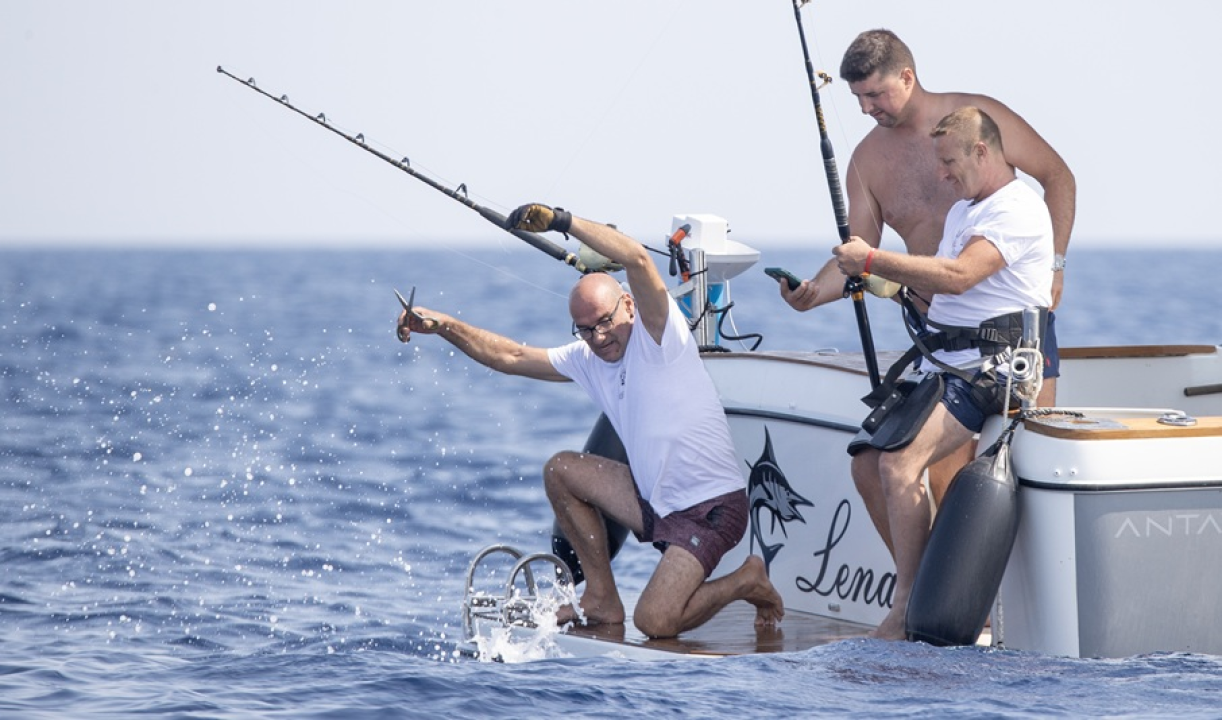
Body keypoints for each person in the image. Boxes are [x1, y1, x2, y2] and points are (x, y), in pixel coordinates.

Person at [396, 203, 784, 639]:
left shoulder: (660, 335)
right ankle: (601, 596)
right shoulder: (588, 357)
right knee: (562, 470)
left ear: (629, 308)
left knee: (655, 623)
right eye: (585, 329)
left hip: (709, 509)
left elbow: (637, 259)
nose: (599, 338)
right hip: (653, 502)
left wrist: (562, 221)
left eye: (605, 322)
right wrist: (443, 324)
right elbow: (511, 356)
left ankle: (747, 580)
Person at [776, 29, 1075, 499]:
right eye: (857, 97)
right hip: (942, 336)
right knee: (942, 480)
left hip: (1014, 329)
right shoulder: (867, 161)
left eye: (874, 93)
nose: (866, 108)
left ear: (908, 77)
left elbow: (1058, 176)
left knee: (1027, 465)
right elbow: (859, 253)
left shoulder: (980, 118)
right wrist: (813, 292)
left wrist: (1055, 265)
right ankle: (932, 571)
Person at [832, 106, 1053, 640]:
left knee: (899, 464)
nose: (943, 175)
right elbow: (942, 291)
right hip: (946, 363)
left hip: (994, 369)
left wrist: (873, 261)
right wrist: (896, 287)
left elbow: (959, 276)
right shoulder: (964, 211)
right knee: (867, 465)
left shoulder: (1017, 208)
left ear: (983, 151)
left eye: (950, 162)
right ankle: (937, 590)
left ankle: (907, 603)